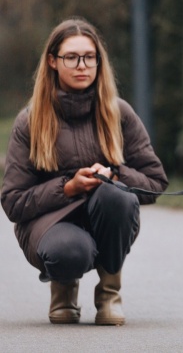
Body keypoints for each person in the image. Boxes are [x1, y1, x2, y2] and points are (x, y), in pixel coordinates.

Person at [0, 17, 168, 325]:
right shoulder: (30, 121)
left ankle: (109, 294)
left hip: (105, 213)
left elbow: (155, 182)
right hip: (49, 224)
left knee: (117, 197)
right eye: (72, 57)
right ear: (52, 60)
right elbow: (12, 201)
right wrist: (68, 187)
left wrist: (115, 176)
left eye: (90, 57)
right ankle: (63, 290)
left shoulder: (119, 113)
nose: (82, 65)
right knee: (69, 250)